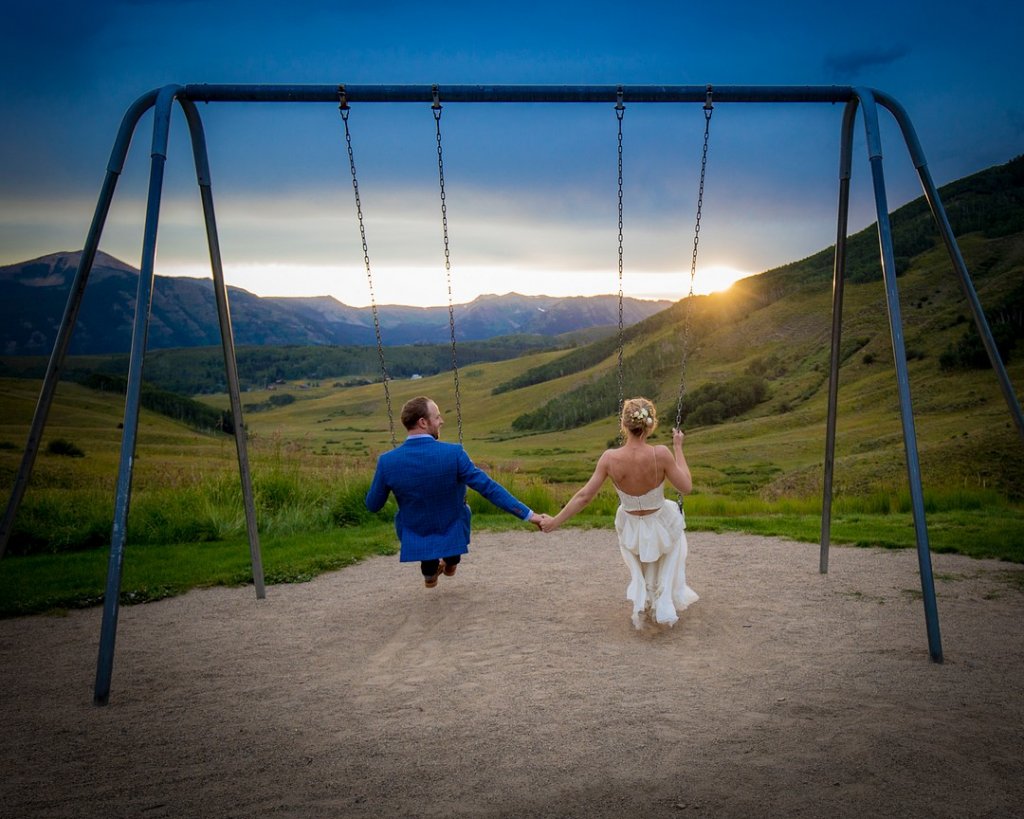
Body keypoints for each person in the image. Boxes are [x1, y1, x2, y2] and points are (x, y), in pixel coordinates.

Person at [541, 397, 698, 628]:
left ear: (624, 425)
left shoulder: (609, 458)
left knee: (645, 548)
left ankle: (647, 596)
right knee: (673, 529)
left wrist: (555, 521)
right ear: (650, 424)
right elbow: (686, 487)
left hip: (631, 528)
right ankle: (660, 597)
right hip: (660, 524)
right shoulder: (661, 454)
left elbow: (584, 496)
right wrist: (678, 448)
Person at [366, 396, 546, 587]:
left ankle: (429, 571)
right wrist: (529, 515)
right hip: (450, 527)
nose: (441, 421)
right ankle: (451, 561)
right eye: (437, 417)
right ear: (423, 422)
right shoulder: (454, 453)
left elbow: (373, 505)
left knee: (412, 519)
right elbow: (488, 488)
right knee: (460, 512)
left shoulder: (387, 461)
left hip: (415, 531)